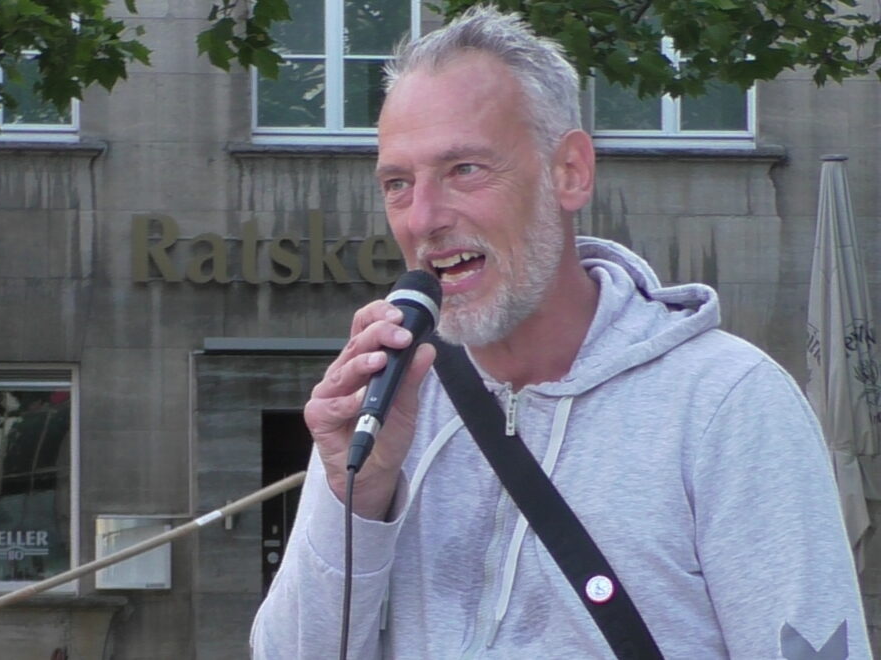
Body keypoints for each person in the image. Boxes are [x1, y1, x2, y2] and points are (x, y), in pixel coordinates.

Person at [251, 6, 871, 658]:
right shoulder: (391, 400)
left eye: (465, 168)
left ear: (570, 171)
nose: (423, 218)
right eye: (398, 183)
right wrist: (355, 495)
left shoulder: (728, 403)